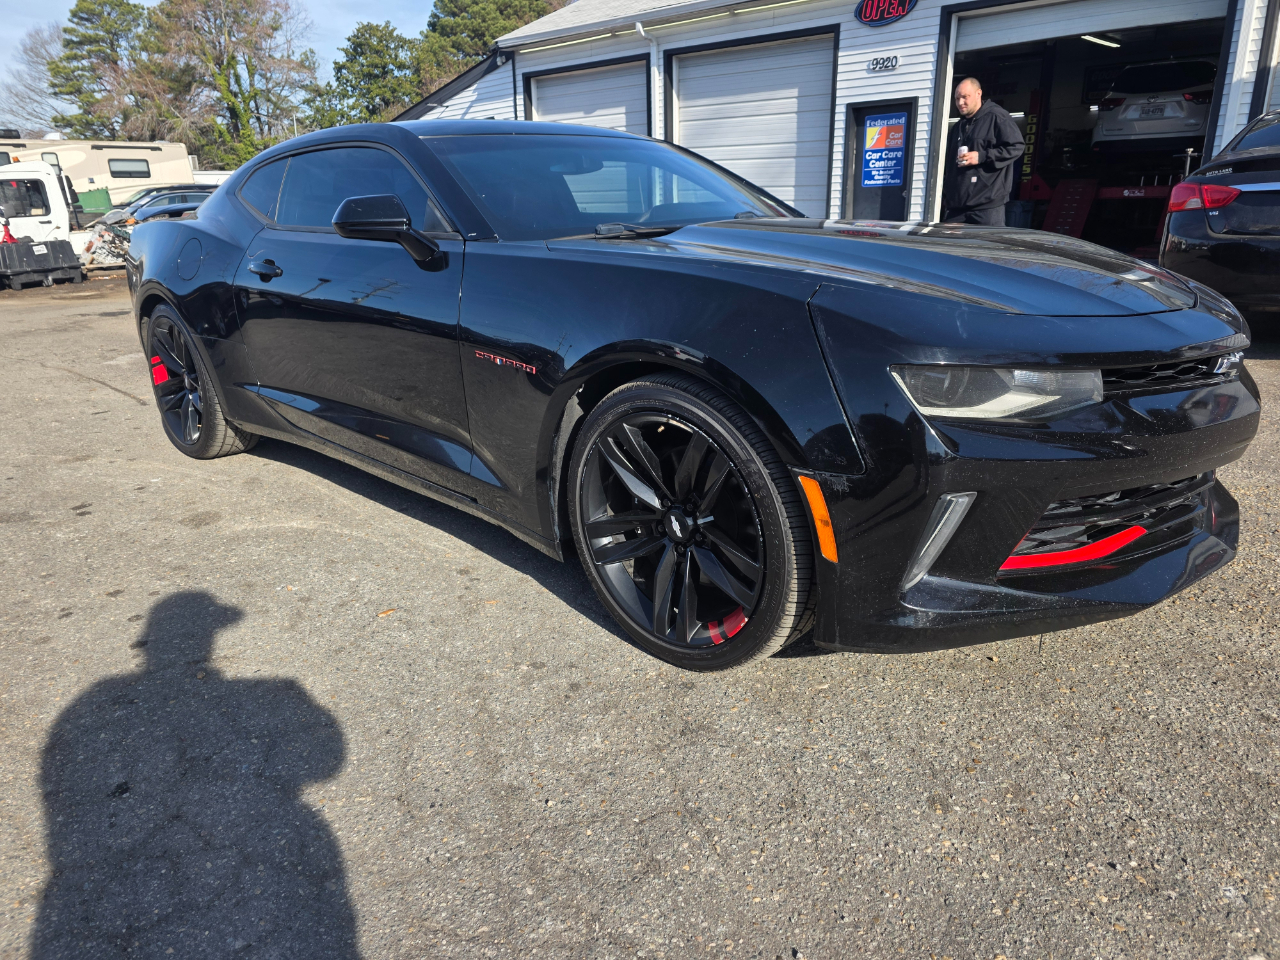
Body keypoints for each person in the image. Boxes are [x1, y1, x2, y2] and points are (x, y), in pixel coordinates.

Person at [942, 77, 1025, 226]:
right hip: (956, 208)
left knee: (987, 242)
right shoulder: (958, 126)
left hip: (987, 207)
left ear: (978, 93)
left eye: (965, 97)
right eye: (957, 98)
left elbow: (1016, 147)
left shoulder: (997, 117)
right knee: (946, 242)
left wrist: (981, 156)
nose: (960, 102)